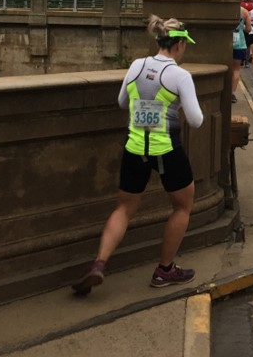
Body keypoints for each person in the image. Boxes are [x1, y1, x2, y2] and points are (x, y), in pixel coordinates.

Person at [72, 16, 206, 294]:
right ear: (179, 44)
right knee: (182, 207)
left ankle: (98, 264)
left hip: (134, 147)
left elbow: (122, 102)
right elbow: (196, 120)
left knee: (124, 208)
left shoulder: (136, 65)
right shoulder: (180, 75)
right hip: (166, 148)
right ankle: (165, 270)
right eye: (185, 45)